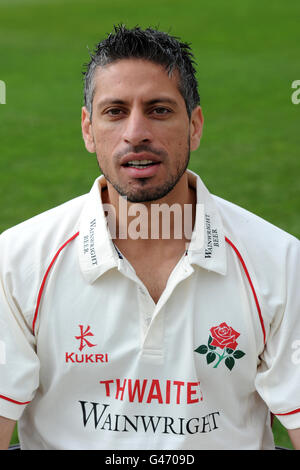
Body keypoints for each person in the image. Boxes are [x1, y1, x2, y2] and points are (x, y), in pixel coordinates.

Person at [0, 25, 299, 451]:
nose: (136, 132)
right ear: (88, 129)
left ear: (195, 126)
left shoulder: (281, 261)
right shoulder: (16, 261)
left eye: (159, 110)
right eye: (115, 111)